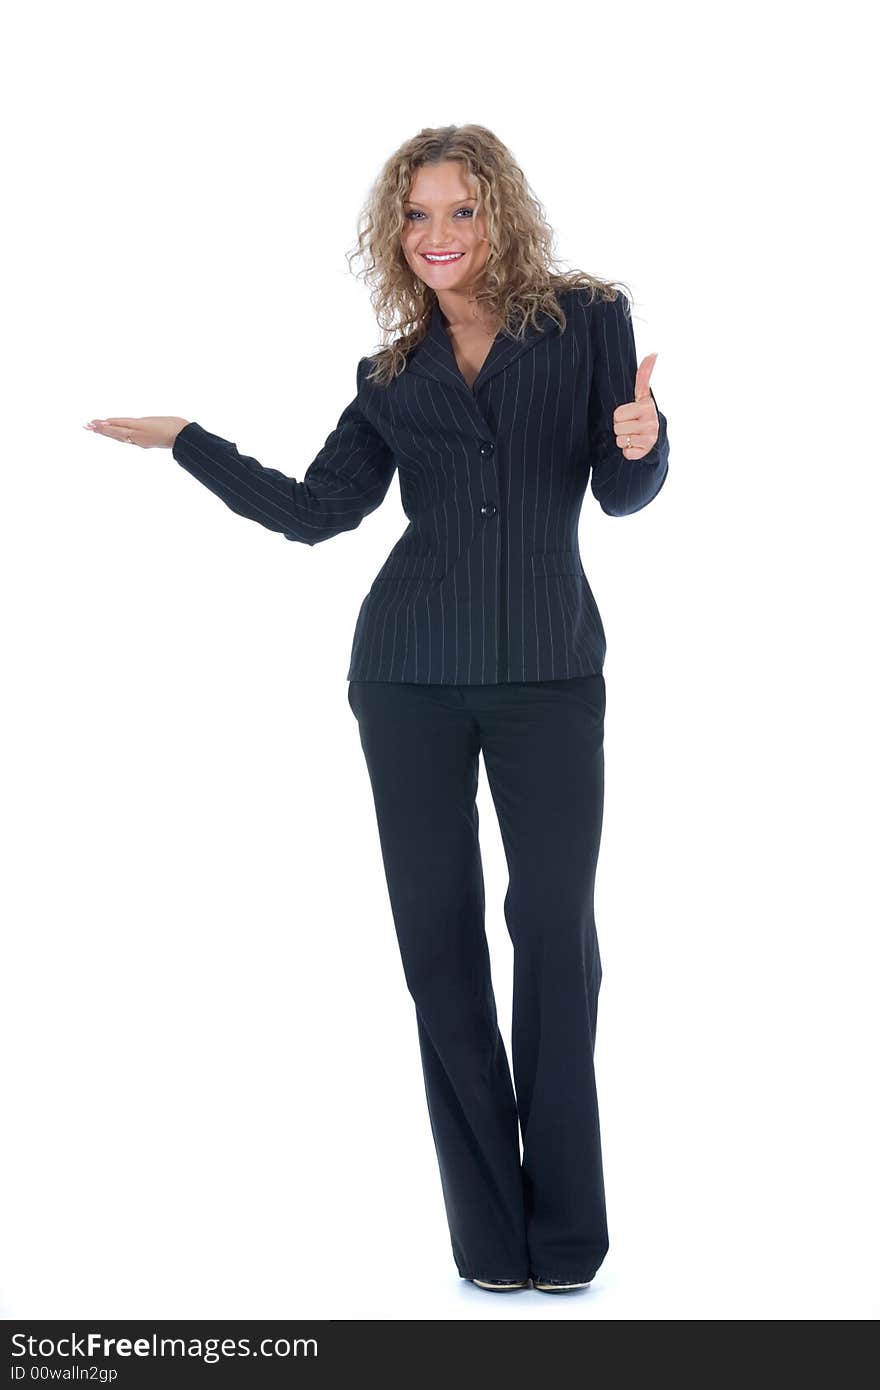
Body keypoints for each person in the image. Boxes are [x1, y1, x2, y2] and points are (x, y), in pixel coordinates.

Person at [85, 123, 670, 1295]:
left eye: (460, 210)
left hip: (550, 673)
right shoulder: (389, 377)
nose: (438, 235)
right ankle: (489, 1244)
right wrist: (189, 442)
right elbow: (315, 513)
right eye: (416, 215)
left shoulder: (589, 318)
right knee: (437, 949)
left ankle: (566, 1240)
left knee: (557, 939)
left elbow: (622, 493)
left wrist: (646, 439)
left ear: (500, 213)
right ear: (393, 233)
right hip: (405, 677)